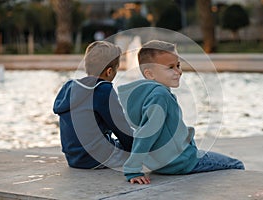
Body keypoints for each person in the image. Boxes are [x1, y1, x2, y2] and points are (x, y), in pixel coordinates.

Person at [117, 40, 244, 184]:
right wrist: (132, 169)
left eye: (178, 65)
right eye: (170, 67)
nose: (178, 71)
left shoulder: (148, 94)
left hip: (163, 163)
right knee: (236, 165)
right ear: (150, 74)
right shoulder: (160, 96)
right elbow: (147, 132)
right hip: (181, 162)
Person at [53, 41, 133, 169]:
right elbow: (120, 127)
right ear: (109, 71)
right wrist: (134, 149)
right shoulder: (103, 90)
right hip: (96, 159)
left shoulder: (69, 87)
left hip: (74, 159)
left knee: (119, 142)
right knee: (141, 143)